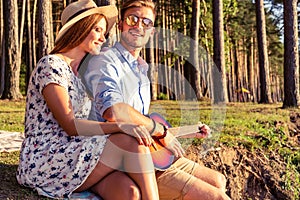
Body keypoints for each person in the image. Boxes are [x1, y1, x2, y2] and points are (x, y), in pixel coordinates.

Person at [83, 0, 232, 199]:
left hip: (146, 150)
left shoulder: (142, 71)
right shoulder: (105, 60)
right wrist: (160, 130)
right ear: (120, 25)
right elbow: (113, 112)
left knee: (218, 181)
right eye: (132, 19)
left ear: (151, 32)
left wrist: (188, 131)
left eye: (146, 22)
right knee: (216, 197)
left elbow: (143, 126)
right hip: (121, 158)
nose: (138, 26)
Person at [16, 0, 160, 199]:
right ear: (80, 29)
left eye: (104, 32)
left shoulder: (78, 76)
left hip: (77, 154)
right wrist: (120, 126)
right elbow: (70, 126)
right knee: (131, 142)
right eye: (98, 30)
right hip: (47, 158)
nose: (103, 38)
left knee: (130, 193)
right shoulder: (51, 65)